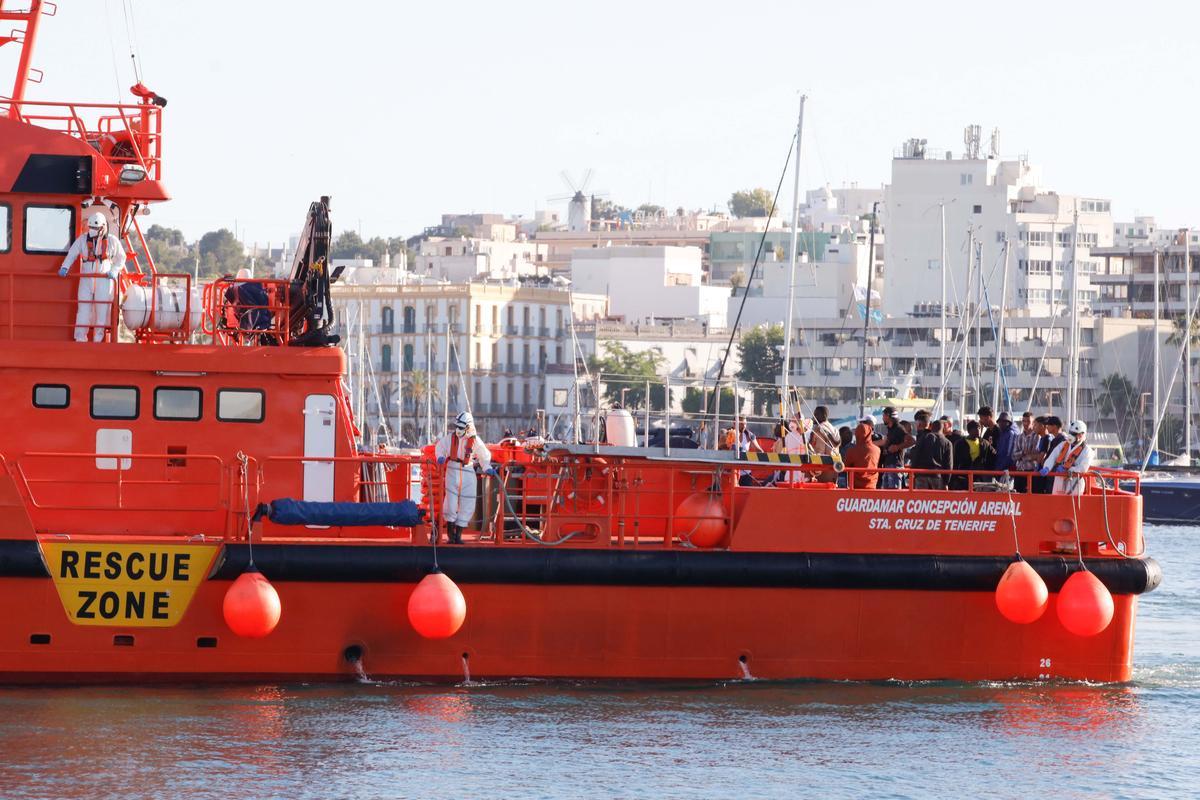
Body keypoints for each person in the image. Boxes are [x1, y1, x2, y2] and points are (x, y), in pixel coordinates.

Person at [58, 211, 126, 342]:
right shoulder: (83, 239)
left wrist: (115, 270)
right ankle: (80, 338)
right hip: (86, 279)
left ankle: (97, 339)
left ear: (102, 228)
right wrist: (65, 266)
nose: (92, 230)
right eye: (91, 228)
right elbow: (72, 253)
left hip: (104, 280)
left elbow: (121, 258)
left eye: (95, 228)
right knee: (83, 309)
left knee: (102, 311)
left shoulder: (112, 241)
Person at [434, 411, 496, 544]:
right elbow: (440, 447)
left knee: (468, 502)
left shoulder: (475, 441)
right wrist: (440, 457)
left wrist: (487, 468)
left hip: (468, 471)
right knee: (450, 504)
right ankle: (450, 535)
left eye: (461, 427)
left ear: (468, 427)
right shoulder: (449, 438)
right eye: (457, 426)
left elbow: (484, 455)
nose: (458, 430)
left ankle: (459, 535)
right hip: (452, 470)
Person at [1041, 420, 1093, 495]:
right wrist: (1047, 467)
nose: (1072, 436)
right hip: (1059, 478)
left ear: (1082, 435)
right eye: (1071, 433)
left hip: (1075, 481)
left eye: (1075, 434)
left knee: (1072, 504)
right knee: (1057, 502)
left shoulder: (1087, 451)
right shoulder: (1063, 445)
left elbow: (1083, 468)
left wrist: (1069, 469)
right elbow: (1053, 456)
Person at [911, 410, 953, 489]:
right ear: (942, 429)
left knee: (921, 500)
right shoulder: (947, 443)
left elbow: (916, 455)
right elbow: (949, 464)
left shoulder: (924, 437)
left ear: (932, 427)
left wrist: (913, 472)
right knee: (937, 500)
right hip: (937, 476)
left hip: (921, 475)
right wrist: (946, 482)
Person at [950, 420, 996, 490]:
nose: (978, 430)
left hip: (979, 478)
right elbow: (955, 461)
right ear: (969, 431)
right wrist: (954, 478)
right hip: (963, 477)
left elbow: (993, 455)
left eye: (979, 428)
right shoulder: (960, 443)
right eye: (975, 428)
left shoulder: (984, 443)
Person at [879, 407, 914, 489]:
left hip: (895, 465)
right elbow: (885, 442)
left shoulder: (899, 428)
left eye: (883, 415)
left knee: (894, 494)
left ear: (888, 416)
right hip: (889, 465)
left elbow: (912, 440)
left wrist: (897, 447)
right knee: (886, 495)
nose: (882, 418)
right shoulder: (891, 429)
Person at [843, 417, 880, 489]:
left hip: (855, 487)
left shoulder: (852, 450)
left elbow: (846, 466)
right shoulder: (877, 450)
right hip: (872, 485)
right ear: (870, 433)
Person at [1035, 416, 1066, 495]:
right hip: (1051, 475)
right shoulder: (1055, 439)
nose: (1046, 427)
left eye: (1048, 425)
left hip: (1057, 476)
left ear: (1054, 426)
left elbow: (1061, 457)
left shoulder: (1063, 440)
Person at [808, 405, 839, 483]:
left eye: (815, 414)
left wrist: (814, 473)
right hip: (834, 470)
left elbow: (819, 452)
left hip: (822, 472)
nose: (813, 417)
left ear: (818, 415)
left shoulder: (818, 430)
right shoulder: (834, 429)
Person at [736, 419, 763, 486]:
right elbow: (720, 447)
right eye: (741, 424)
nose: (744, 426)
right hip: (731, 472)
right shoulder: (729, 433)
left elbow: (759, 450)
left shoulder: (749, 435)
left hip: (746, 473)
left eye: (745, 424)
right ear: (734, 424)